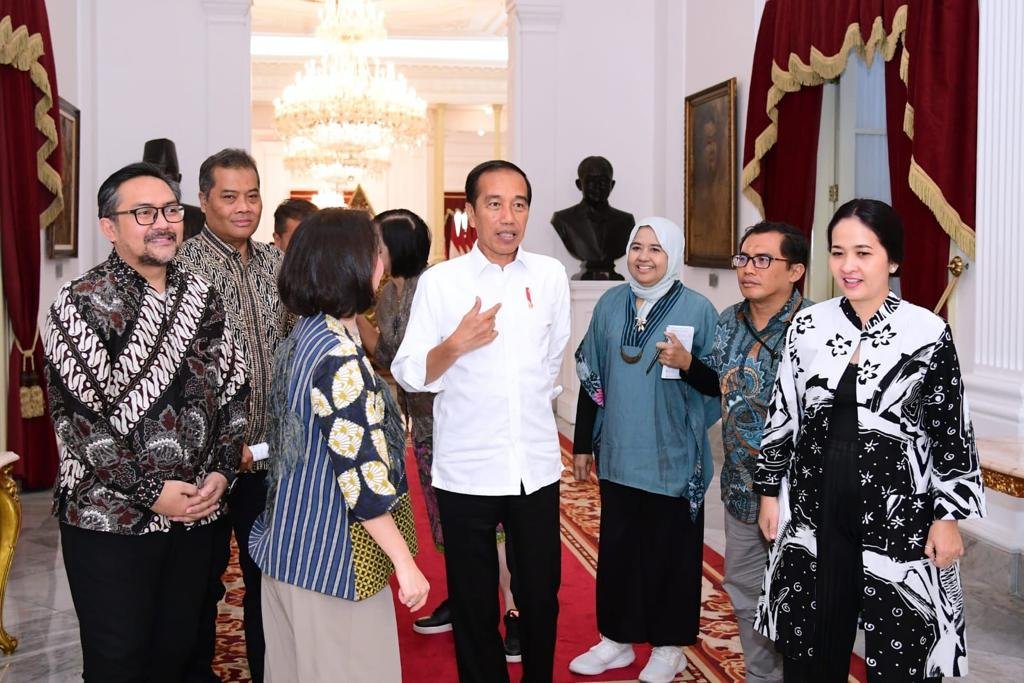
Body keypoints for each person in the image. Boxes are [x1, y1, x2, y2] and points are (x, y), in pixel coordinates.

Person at [754, 199, 986, 681]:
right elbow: (783, 414)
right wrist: (769, 493)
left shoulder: (926, 332)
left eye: (863, 253)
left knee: (900, 649)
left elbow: (950, 433)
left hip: (899, 512)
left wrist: (947, 517)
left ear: (892, 260)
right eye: (838, 253)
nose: (848, 266)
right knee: (811, 641)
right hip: (815, 507)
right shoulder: (809, 326)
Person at [43, 162, 248, 681]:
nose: (162, 223)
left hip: (198, 513)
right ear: (109, 227)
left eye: (171, 211)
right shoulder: (81, 301)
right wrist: (151, 491)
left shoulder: (203, 295)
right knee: (120, 662)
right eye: (143, 213)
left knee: (187, 653)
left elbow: (234, 391)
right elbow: (79, 422)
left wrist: (222, 471)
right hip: (110, 520)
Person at [392, 160, 571, 683]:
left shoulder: (549, 276)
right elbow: (409, 372)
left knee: (540, 595)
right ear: (471, 213)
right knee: (473, 604)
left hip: (534, 466)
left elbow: (551, 359)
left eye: (519, 204)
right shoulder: (442, 283)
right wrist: (454, 345)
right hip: (467, 469)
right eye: (494, 204)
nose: (508, 217)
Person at [249, 208, 429, 682]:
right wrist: (405, 563)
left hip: (289, 546)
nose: (381, 263)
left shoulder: (305, 335)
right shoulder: (339, 357)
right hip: (332, 560)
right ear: (350, 265)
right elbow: (361, 477)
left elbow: (298, 431)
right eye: (375, 252)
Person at [357, 209, 522, 658]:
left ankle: (514, 611)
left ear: (397, 247)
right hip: (425, 428)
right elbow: (388, 358)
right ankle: (465, 598)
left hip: (459, 422)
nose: (373, 252)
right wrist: (352, 314)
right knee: (447, 523)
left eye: (378, 243)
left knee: (494, 529)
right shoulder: (389, 294)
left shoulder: (434, 287)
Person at [569, 217, 721, 683]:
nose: (643, 257)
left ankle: (669, 647)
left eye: (655, 249)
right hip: (618, 452)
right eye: (637, 247)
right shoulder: (611, 302)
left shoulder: (698, 309)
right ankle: (616, 639)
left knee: (669, 554)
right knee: (618, 551)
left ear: (671, 256)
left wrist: (688, 363)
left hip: (672, 457)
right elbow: (591, 377)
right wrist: (582, 443)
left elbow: (719, 383)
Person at [676, 221, 811, 682]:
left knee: (800, 597)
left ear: (795, 271)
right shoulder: (728, 319)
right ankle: (761, 674)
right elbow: (717, 381)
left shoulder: (816, 327)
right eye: (743, 258)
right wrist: (688, 364)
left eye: (762, 260)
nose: (748, 269)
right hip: (740, 487)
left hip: (799, 496)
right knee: (744, 588)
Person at [177, 148, 289, 683]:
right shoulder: (181, 268)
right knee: (198, 585)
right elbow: (175, 376)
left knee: (268, 580)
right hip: (205, 466)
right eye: (229, 197)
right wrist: (220, 446)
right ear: (204, 201)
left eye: (252, 195)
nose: (244, 207)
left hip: (270, 461)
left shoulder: (277, 265)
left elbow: (295, 347)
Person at [550, 156, 635, 280]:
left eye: (603, 181)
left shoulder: (626, 222)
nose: (597, 186)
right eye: (591, 181)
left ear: (612, 185)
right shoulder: (563, 220)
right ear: (579, 184)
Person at [142, 138, 206, 240]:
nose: (162, 183)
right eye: (155, 176)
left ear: (178, 179)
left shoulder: (200, 218)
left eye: (168, 176)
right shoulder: (132, 217)